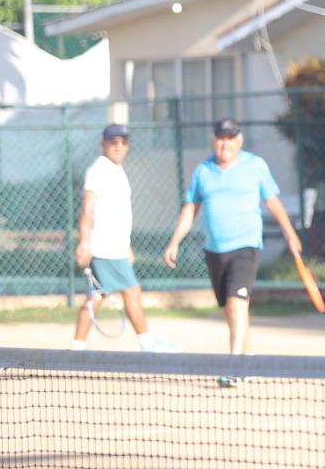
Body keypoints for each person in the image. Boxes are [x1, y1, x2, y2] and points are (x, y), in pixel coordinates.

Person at [162, 119, 301, 357]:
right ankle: (248, 359)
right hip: (215, 250)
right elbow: (190, 209)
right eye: (221, 138)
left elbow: (273, 202)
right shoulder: (203, 170)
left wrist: (291, 234)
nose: (225, 143)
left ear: (240, 141)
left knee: (237, 304)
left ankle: (235, 365)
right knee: (230, 309)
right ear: (213, 140)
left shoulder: (255, 166)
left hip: (246, 246)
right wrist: (174, 242)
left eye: (230, 138)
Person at [72, 124, 181, 353]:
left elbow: (117, 214)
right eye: (113, 142)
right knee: (132, 291)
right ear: (103, 145)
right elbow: (87, 209)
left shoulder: (116, 170)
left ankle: (77, 346)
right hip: (104, 248)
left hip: (116, 247)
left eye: (123, 142)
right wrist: (84, 241)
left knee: (98, 296)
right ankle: (147, 343)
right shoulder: (99, 170)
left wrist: (127, 246)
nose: (119, 147)